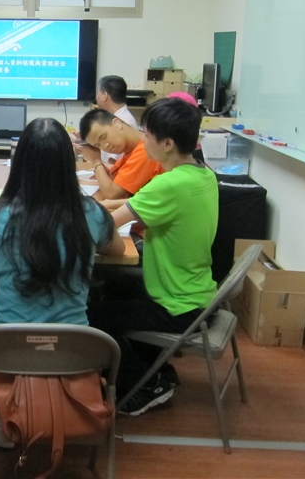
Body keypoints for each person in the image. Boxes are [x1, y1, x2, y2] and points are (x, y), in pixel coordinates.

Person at [0, 117, 125, 387]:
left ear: (20, 163)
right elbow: (118, 249)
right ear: (69, 163)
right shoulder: (90, 213)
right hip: (75, 362)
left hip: (2, 364)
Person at [87, 97, 219, 417]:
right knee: (112, 288)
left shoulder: (167, 185)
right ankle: (156, 369)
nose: (143, 141)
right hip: (200, 296)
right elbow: (129, 206)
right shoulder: (203, 175)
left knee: (90, 318)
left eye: (147, 135)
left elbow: (105, 226)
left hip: (177, 305)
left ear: (168, 143)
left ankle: (144, 386)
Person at [76, 108, 163, 205]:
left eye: (103, 137)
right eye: (98, 145)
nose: (105, 146)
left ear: (117, 123)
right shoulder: (131, 150)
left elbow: (111, 194)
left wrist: (96, 161)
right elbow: (114, 177)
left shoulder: (145, 151)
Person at [95, 75, 139, 164]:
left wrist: (95, 162)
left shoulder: (122, 122)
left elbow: (112, 164)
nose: (96, 97)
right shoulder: (117, 117)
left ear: (104, 96)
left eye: (98, 93)